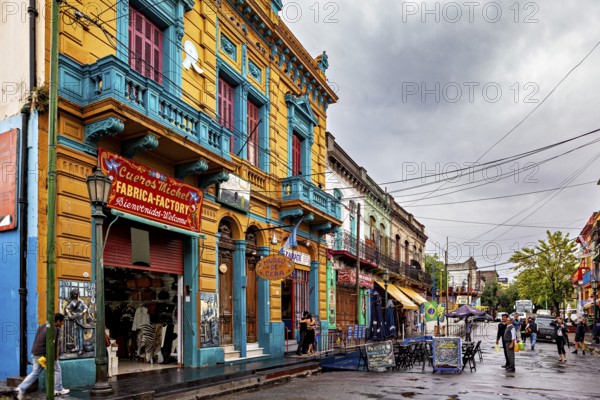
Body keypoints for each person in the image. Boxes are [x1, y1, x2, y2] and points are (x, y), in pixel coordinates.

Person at [14, 313, 70, 399]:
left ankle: (21, 388)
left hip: (35, 353)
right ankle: (58, 388)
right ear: (58, 321)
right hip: (43, 354)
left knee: (35, 372)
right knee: (57, 369)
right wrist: (54, 357)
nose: (63, 324)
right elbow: (52, 344)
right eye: (62, 322)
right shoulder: (53, 329)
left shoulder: (43, 325)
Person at [64, 288, 88, 355]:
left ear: (77, 294)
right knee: (75, 335)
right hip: (75, 320)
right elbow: (67, 308)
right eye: (73, 294)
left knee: (80, 335)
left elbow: (86, 308)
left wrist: (82, 313)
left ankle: (81, 349)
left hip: (80, 320)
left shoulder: (81, 301)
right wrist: (69, 314)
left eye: (75, 294)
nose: (74, 295)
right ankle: (77, 347)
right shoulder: (72, 302)